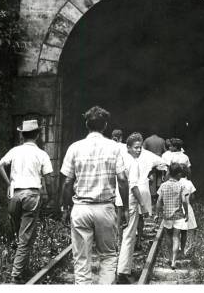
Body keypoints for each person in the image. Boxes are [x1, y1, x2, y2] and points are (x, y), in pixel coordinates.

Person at [60, 106, 128, 284]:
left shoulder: (75, 148)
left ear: (86, 124)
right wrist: (126, 209)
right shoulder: (114, 147)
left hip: (81, 209)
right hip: (105, 208)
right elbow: (122, 179)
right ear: (105, 125)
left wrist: (65, 208)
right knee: (108, 256)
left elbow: (67, 182)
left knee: (82, 260)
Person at [0, 119, 55, 284]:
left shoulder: (15, 151)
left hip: (15, 195)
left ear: (22, 134)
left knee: (19, 234)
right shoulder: (42, 154)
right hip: (31, 196)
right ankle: (16, 276)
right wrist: (50, 197)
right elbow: (49, 181)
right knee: (25, 237)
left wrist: (9, 183)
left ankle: (22, 268)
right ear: (37, 134)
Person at [116, 133, 149, 284]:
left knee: (120, 235)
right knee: (129, 236)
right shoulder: (133, 163)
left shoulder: (121, 160)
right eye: (136, 147)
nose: (138, 150)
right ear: (128, 147)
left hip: (119, 202)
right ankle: (123, 272)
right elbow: (134, 186)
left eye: (140, 147)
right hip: (130, 203)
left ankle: (118, 268)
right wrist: (143, 204)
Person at [156, 163, 189, 269]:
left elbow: (159, 201)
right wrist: (186, 213)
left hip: (167, 216)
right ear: (178, 174)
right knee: (176, 238)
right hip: (178, 216)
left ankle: (170, 257)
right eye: (181, 174)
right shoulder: (181, 186)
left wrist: (157, 213)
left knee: (168, 237)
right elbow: (184, 200)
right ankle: (174, 261)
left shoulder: (163, 185)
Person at [178, 165, 197, 256]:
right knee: (185, 230)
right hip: (187, 206)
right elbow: (193, 196)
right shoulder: (189, 183)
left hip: (176, 207)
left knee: (176, 230)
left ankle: (176, 249)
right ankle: (182, 250)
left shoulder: (176, 182)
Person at [111, 129, 128, 236]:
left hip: (111, 175)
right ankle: (122, 228)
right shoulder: (125, 147)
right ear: (121, 137)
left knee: (114, 202)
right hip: (122, 173)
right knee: (122, 203)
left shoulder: (108, 146)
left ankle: (115, 228)